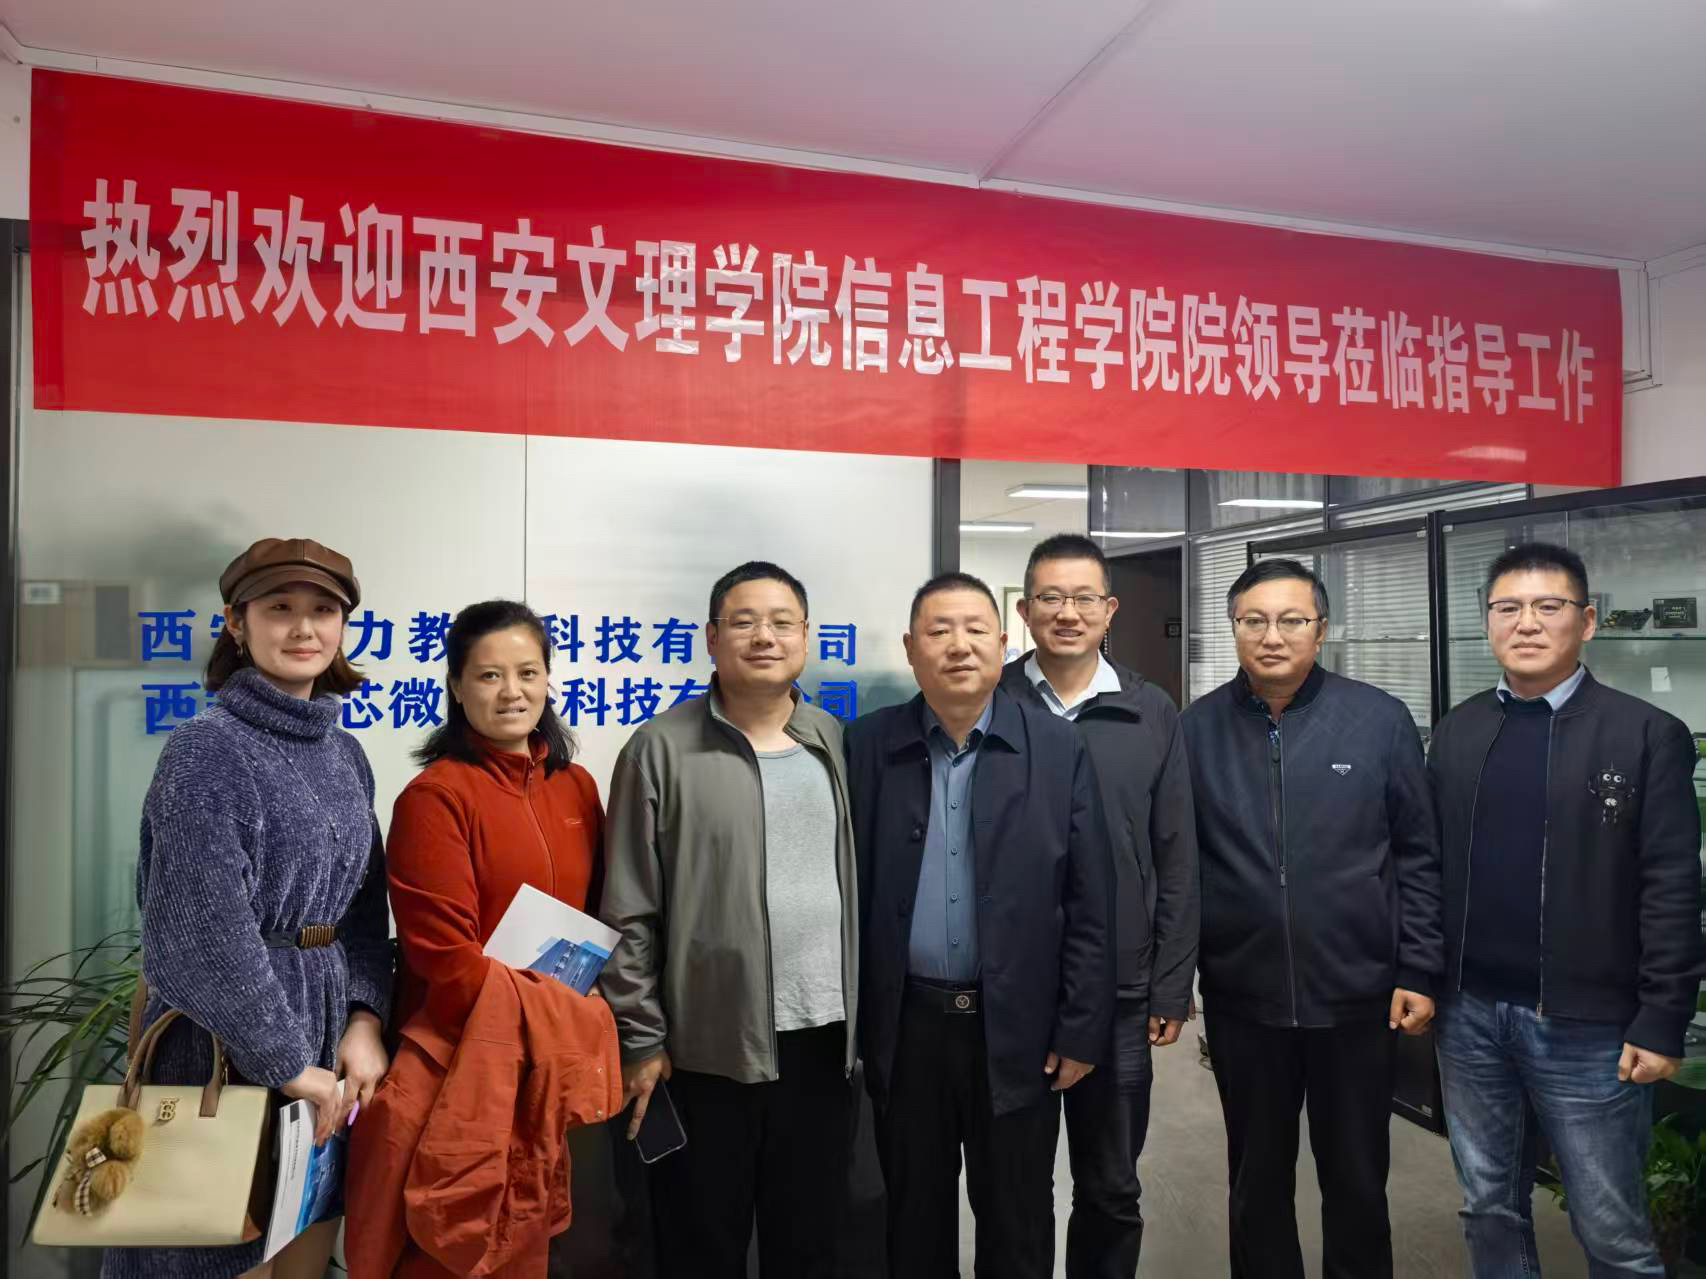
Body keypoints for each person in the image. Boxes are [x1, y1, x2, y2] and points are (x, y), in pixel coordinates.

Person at [109, 537, 393, 1279]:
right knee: (212, 1255)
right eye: (279, 608)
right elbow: (198, 932)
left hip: (327, 1051)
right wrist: (286, 1062)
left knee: (304, 1255)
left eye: (323, 610)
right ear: (237, 623)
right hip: (221, 1054)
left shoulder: (346, 754)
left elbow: (366, 911)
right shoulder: (206, 749)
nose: (303, 627)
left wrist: (365, 1018)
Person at [1429, 542, 1704, 1278]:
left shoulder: (1644, 734)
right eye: (1508, 607)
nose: (1527, 623)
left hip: (1589, 1025)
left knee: (1612, 1230)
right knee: (1487, 1206)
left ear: (1586, 622)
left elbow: (1672, 887)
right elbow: (1427, 867)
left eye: (1548, 606)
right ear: (1488, 621)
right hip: (1468, 1015)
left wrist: (1662, 1016)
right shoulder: (1457, 732)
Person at [847, 570, 1115, 1279]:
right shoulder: (867, 746)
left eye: (974, 630)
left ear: (1003, 642)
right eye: (939, 631)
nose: (958, 646)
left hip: (1018, 1030)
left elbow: (1092, 900)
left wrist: (1080, 1027)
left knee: (1017, 1219)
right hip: (907, 1029)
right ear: (911, 648)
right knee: (912, 1219)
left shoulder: (1056, 748)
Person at [1181, 557, 1442, 1279]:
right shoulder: (1195, 730)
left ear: (1321, 629)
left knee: (1357, 1182)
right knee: (1255, 1181)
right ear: (1233, 628)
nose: (1272, 636)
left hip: (1357, 997)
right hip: (1243, 999)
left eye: (1291, 620)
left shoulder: (1378, 720)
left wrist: (1419, 967)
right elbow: (1179, 866)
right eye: (1254, 620)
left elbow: (1419, 855)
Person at [345, 600, 620, 1279]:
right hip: (459, 1065)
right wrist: (570, 1023)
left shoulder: (577, 788)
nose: (511, 692)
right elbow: (447, 961)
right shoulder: (436, 796)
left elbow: (598, 919)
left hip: (543, 1072)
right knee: (451, 1249)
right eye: (489, 675)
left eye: (528, 672)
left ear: (549, 679)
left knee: (530, 1245)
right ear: (456, 686)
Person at [599, 562, 859, 1279]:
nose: (764, 636)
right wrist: (642, 1035)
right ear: (712, 637)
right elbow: (626, 908)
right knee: (700, 1247)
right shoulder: (660, 748)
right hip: (703, 1051)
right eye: (744, 622)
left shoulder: (834, 741)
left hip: (823, 1045)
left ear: (806, 636)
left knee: (808, 1247)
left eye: (782, 622)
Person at [999, 533, 1198, 1278]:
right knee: (1015, 1189)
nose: (1068, 612)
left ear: (1109, 610)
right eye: (1050, 597)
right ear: (1025, 611)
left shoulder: (1150, 711)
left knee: (1111, 1185)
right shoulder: (994, 701)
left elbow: (1177, 856)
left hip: (1119, 991)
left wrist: (1171, 984)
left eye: (1084, 598)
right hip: (1013, 989)